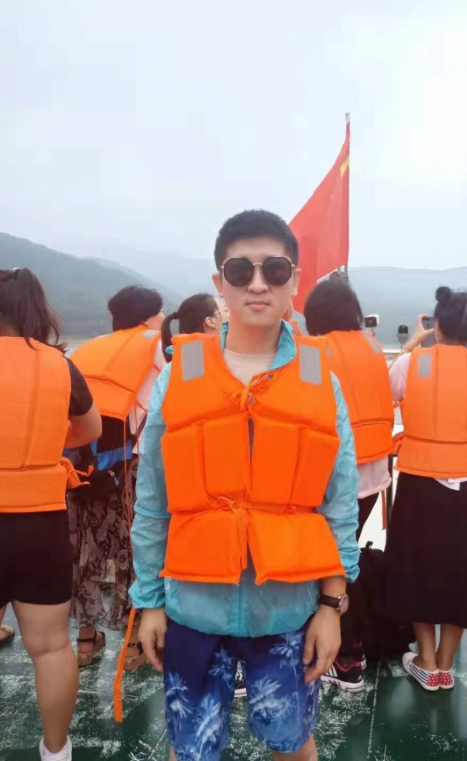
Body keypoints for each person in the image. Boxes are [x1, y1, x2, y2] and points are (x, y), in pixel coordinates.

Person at [130, 210, 360, 761]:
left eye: (274, 270)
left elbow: (339, 503)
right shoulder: (177, 375)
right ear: (220, 283)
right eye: (240, 270)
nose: (258, 284)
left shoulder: (321, 381)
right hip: (192, 607)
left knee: (291, 742)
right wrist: (149, 602)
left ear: (294, 280)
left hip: (287, 610)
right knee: (191, 747)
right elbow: (152, 500)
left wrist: (331, 606)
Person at [384, 286, 467, 691]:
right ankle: (444, 664)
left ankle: (425, 659)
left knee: (418, 570)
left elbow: (386, 395)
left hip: (421, 483)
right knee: (464, 571)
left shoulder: (411, 363)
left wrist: (413, 345)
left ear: (437, 322)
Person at [0, 268, 101, 761]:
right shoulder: (59, 365)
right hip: (40, 524)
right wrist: (42, 443)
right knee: (50, 647)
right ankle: (56, 752)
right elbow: (90, 429)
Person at [67, 285, 165, 669]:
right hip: (131, 468)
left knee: (86, 550)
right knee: (133, 550)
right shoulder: (158, 345)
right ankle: (134, 644)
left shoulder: (88, 349)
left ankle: (86, 640)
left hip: (81, 466)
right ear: (148, 316)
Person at [304, 277, 395, 692]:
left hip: (332, 477)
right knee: (345, 559)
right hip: (373, 474)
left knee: (330, 566)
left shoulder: (312, 353)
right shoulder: (373, 347)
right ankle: (348, 652)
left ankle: (344, 654)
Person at [161, 293, 228, 361]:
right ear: (210, 321)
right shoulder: (199, 361)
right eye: (225, 311)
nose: (230, 314)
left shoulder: (185, 359)